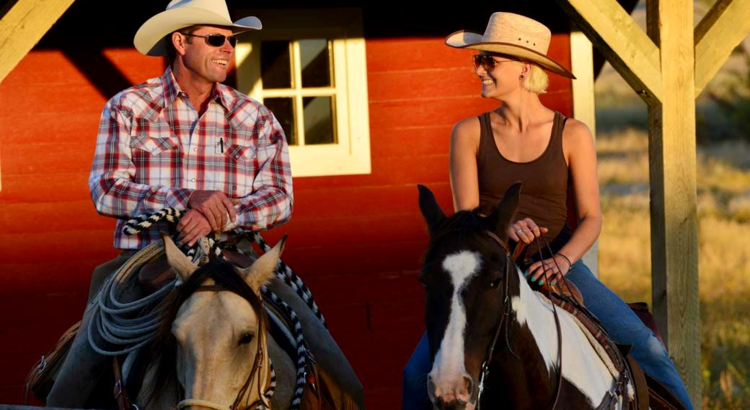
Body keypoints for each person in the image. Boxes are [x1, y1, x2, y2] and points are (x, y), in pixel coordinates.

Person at [48, 1, 360, 407]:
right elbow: (105, 188)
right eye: (216, 38)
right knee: (68, 393)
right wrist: (184, 201)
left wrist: (217, 216)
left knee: (343, 378)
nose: (228, 48)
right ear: (180, 42)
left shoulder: (255, 117)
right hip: (147, 263)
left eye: (231, 40)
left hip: (239, 262)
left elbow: (280, 198)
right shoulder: (128, 107)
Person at [402, 12, 694, 410]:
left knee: (648, 348)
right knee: (414, 374)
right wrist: (503, 229)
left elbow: (592, 217)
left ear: (524, 68)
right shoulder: (468, 133)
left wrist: (562, 260)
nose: (479, 69)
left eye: (489, 60)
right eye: (479, 60)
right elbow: (466, 226)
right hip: (490, 270)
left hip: (560, 263)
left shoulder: (572, 134)